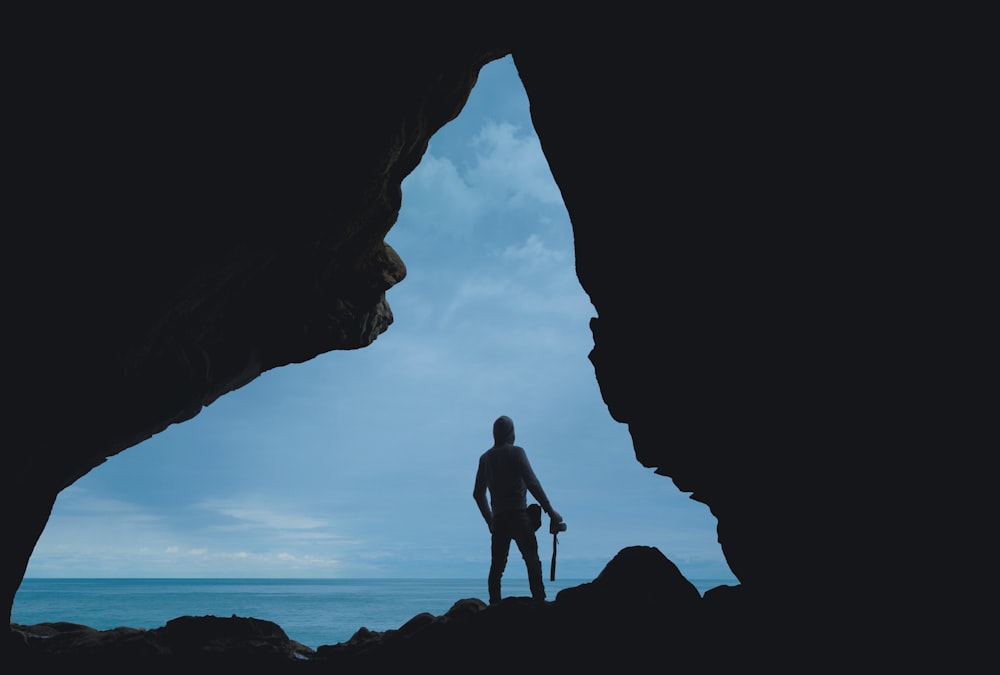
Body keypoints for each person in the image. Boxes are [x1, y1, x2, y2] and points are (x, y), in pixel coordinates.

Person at [473, 415, 563, 604]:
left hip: (498, 518)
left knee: (497, 567)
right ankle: (539, 601)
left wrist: (490, 520)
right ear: (511, 432)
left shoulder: (485, 459)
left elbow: (477, 494)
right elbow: (532, 483)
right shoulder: (516, 453)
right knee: (532, 561)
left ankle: (494, 605)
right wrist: (551, 512)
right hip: (518, 515)